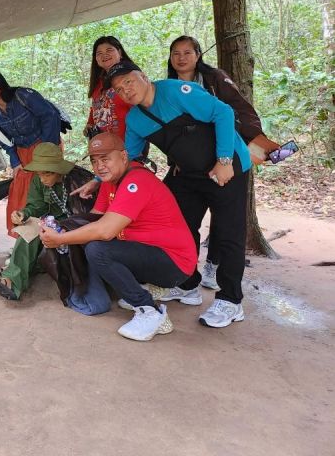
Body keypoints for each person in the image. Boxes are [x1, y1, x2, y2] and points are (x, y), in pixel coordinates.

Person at [107, 60, 252, 328]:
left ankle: (231, 300)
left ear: (143, 75)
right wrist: (98, 179)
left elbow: (223, 113)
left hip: (227, 167)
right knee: (179, 228)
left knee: (229, 233)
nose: (126, 90)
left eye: (129, 81)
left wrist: (223, 161)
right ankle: (187, 284)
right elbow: (130, 158)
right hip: (186, 174)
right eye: (119, 88)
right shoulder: (136, 118)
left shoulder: (176, 91)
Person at [38, 134, 197, 341]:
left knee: (98, 249)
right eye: (95, 161)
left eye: (105, 159)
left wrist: (60, 240)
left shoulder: (136, 181)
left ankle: (150, 312)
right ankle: (145, 290)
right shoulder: (110, 182)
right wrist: (64, 228)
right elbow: (94, 219)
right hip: (149, 252)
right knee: (92, 242)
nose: (99, 166)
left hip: (175, 263)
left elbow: (104, 230)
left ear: (123, 156)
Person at [167, 35, 281, 290]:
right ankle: (186, 276)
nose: (181, 58)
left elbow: (240, 110)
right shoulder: (168, 86)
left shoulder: (215, 79)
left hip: (224, 158)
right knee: (185, 219)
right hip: (190, 163)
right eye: (176, 53)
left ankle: (214, 267)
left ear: (197, 55)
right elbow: (170, 130)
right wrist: (174, 159)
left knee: (224, 219)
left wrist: (252, 143)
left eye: (187, 52)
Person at [0, 68, 68, 239]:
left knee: (44, 191)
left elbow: (50, 116)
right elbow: (3, 138)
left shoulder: (25, 95)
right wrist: (15, 161)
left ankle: (49, 238)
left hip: (44, 147)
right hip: (22, 155)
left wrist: (47, 153)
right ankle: (23, 240)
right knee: (21, 194)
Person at [0, 143, 77, 300]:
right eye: (39, 174)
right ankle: (11, 282)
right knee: (28, 230)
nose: (41, 179)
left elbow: (84, 214)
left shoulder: (76, 180)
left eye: (46, 174)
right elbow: (36, 206)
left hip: (72, 226)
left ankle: (13, 267)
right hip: (48, 222)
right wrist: (23, 214)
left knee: (44, 251)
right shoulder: (37, 179)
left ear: (58, 170)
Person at [85, 36, 134, 139]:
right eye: (99, 53)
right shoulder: (98, 82)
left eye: (109, 50)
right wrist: (90, 124)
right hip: (103, 146)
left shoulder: (131, 78)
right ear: (96, 59)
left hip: (127, 146)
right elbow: (95, 107)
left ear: (120, 53)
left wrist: (132, 146)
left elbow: (140, 111)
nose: (104, 55)